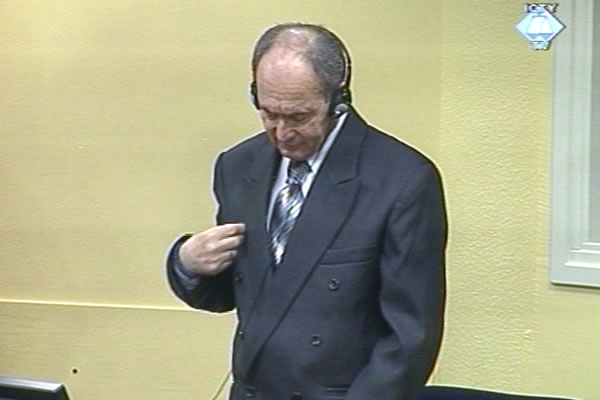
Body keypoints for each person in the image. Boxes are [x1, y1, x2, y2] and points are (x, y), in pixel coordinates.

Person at [166, 23, 447, 400]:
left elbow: (410, 338)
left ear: (338, 101)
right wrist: (187, 263)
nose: (282, 133)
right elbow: (234, 293)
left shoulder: (401, 181)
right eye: (268, 114)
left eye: (298, 116)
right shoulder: (237, 166)